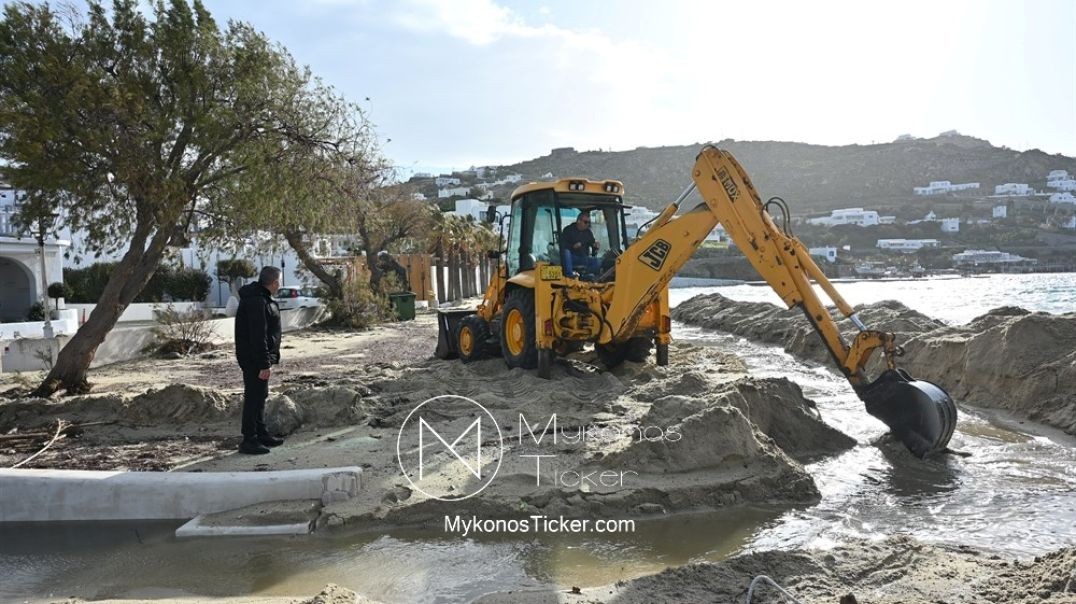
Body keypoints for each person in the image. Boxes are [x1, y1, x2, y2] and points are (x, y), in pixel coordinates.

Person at [234, 266, 284, 455]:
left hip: (261, 358)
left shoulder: (262, 298)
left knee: (260, 396)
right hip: (254, 360)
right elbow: (258, 335)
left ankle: (261, 432)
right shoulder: (256, 301)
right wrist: (264, 363)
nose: (280, 285)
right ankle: (249, 439)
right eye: (279, 281)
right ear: (274, 282)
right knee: (253, 398)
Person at [560, 212, 601, 276]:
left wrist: (595, 245)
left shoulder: (588, 233)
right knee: (566, 252)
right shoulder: (568, 230)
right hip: (571, 257)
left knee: (598, 262)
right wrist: (573, 246)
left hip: (583, 257)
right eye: (585, 222)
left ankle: (584, 275)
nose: (587, 224)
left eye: (589, 223)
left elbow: (592, 243)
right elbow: (562, 245)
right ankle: (570, 275)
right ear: (579, 221)